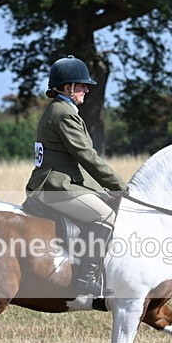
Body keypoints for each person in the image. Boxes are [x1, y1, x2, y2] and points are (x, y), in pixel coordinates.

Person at [26, 55, 127, 296]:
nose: (86, 90)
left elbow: (77, 163)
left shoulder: (60, 110)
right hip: (55, 186)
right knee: (105, 217)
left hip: (59, 182)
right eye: (82, 85)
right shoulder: (63, 113)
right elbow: (87, 156)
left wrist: (104, 191)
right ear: (67, 87)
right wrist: (121, 186)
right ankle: (87, 280)